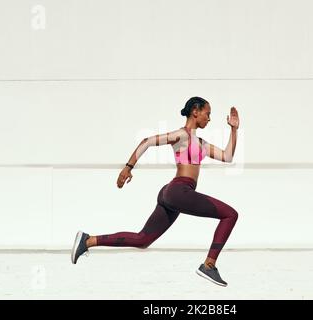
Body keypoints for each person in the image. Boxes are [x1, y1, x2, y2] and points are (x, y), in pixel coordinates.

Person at [71, 97, 240, 286]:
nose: (209, 119)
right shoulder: (182, 135)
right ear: (195, 111)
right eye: (207, 114)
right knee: (230, 215)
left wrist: (234, 129)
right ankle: (209, 265)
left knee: (143, 239)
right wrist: (128, 168)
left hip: (172, 193)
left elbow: (228, 156)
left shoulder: (201, 143)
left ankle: (87, 241)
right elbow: (147, 141)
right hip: (178, 191)